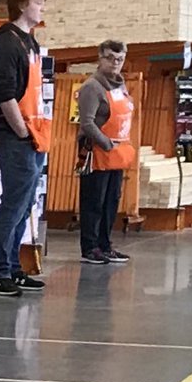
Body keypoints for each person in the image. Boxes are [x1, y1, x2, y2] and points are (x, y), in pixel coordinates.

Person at [0, 0, 52, 297]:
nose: (42, 8)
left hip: (33, 136)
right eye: (38, 2)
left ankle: (13, 266)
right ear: (23, 5)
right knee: (13, 204)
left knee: (25, 204)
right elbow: (5, 94)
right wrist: (21, 131)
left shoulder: (30, 43)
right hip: (17, 137)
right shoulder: (8, 44)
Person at [77, 40, 134, 266]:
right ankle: (90, 247)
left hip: (117, 155)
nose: (115, 63)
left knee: (111, 201)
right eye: (110, 58)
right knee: (94, 202)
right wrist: (106, 143)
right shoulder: (92, 87)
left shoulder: (120, 86)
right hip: (97, 154)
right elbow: (87, 123)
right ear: (100, 59)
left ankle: (105, 245)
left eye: (119, 59)